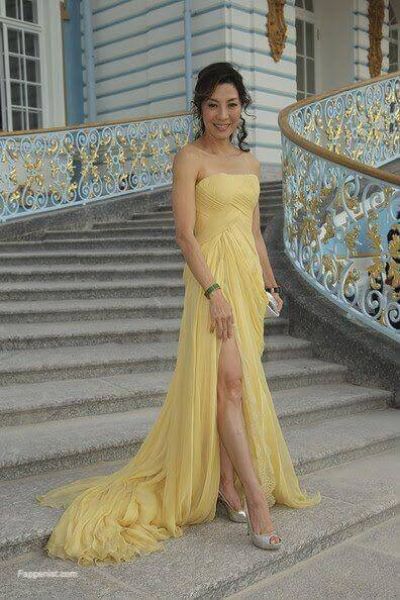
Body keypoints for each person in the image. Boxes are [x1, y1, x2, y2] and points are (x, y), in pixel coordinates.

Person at [36, 62, 321, 566]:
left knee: (233, 387)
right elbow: (186, 236)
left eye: (231, 105)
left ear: (242, 108)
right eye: (212, 105)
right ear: (200, 108)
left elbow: (254, 233)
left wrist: (270, 282)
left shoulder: (251, 164)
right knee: (229, 385)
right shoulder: (189, 158)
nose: (222, 115)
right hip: (211, 284)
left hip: (247, 286)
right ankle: (257, 503)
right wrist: (214, 291)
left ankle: (228, 485)